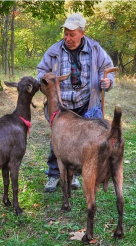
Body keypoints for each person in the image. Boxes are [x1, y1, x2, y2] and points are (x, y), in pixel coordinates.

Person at [37, 13, 115, 192]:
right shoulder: (55, 50)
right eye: (65, 34)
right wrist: (45, 81)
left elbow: (108, 69)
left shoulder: (95, 49)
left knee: (81, 141)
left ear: (82, 33)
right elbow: (41, 71)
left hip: (85, 103)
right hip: (61, 105)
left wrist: (108, 81)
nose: (67, 38)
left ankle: (73, 175)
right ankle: (54, 175)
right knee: (58, 140)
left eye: (72, 34)